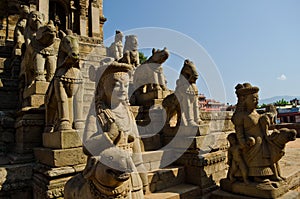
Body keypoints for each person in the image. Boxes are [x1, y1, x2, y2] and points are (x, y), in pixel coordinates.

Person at [84, 60, 148, 198]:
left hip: (130, 167)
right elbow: (87, 147)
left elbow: (135, 143)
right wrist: (109, 136)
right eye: (115, 85)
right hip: (109, 170)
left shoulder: (128, 112)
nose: (122, 89)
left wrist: (140, 166)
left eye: (125, 85)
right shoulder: (97, 113)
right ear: (102, 87)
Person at [231, 83, 280, 182]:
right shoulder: (241, 116)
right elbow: (239, 134)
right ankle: (257, 176)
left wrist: (264, 119)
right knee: (257, 161)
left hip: (261, 142)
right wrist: (244, 143)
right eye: (253, 99)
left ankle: (272, 174)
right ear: (244, 100)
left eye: (257, 99)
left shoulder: (256, 113)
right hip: (251, 145)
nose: (256, 101)